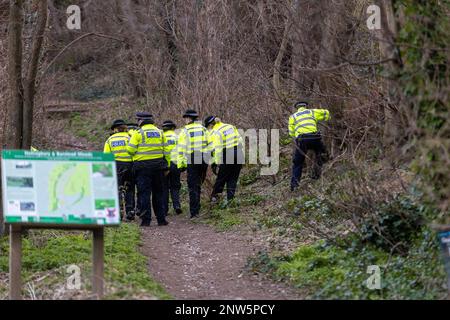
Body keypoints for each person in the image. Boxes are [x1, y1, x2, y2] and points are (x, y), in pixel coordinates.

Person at [127, 112, 170, 227]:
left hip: (142, 168)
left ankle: (146, 221)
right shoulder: (160, 132)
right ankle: (161, 220)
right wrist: (167, 165)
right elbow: (167, 151)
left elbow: (130, 150)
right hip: (159, 167)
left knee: (144, 194)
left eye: (138, 120)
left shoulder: (138, 133)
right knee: (159, 193)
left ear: (141, 121)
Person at [288, 101, 330, 191]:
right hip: (315, 137)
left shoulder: (293, 117)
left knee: (298, 163)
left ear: (297, 108)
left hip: (302, 140)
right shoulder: (312, 112)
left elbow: (291, 133)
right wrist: (327, 118)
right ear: (306, 106)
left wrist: (297, 136)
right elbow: (327, 113)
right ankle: (318, 175)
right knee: (321, 154)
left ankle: (294, 186)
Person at [177, 109, 210, 219]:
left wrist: (181, 165)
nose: (185, 121)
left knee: (192, 186)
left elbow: (181, 149)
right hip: (204, 159)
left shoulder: (185, 131)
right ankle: (198, 209)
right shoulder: (204, 129)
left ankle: (194, 212)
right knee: (198, 184)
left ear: (189, 119)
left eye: (185, 118)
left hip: (192, 158)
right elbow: (211, 144)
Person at [204, 116, 244, 203]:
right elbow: (240, 140)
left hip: (228, 153)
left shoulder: (215, 132)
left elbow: (217, 149)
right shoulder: (230, 126)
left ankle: (214, 199)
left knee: (221, 178)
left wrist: (215, 163)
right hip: (239, 153)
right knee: (233, 178)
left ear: (210, 125)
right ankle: (230, 201)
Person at [103, 119, 134, 221]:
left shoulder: (109, 140)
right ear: (125, 128)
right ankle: (130, 211)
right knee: (129, 188)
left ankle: (120, 212)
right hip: (129, 165)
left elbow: (106, 156)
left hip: (116, 166)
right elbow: (134, 151)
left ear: (115, 129)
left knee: (118, 189)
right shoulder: (130, 137)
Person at [162, 120, 183, 216]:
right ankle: (177, 206)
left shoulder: (161, 137)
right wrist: (183, 165)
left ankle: (165, 209)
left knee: (164, 187)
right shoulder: (178, 136)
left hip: (164, 165)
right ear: (173, 128)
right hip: (175, 164)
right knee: (175, 186)